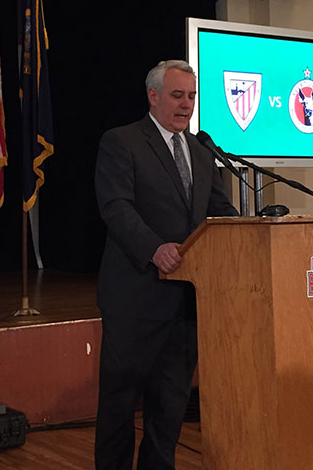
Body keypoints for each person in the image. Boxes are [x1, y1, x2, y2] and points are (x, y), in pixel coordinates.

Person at [94, 60, 238, 469]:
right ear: (153, 96)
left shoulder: (201, 149)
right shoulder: (121, 142)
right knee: (119, 407)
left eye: (191, 96)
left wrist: (256, 229)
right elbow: (115, 207)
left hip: (186, 303)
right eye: (178, 95)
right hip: (136, 299)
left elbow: (218, 212)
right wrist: (154, 247)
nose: (186, 104)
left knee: (170, 407)